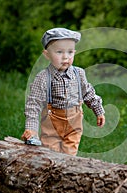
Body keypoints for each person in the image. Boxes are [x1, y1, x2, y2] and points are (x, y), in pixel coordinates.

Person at [21, 28, 105, 156]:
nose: (66, 57)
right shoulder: (43, 77)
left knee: (70, 155)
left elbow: (88, 93)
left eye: (70, 52)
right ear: (47, 54)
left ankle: (67, 171)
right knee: (51, 155)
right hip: (52, 126)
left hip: (74, 124)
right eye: (59, 52)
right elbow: (33, 104)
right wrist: (31, 129)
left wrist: (98, 110)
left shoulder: (79, 74)